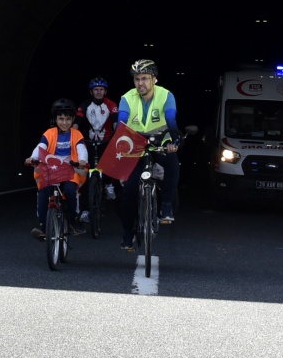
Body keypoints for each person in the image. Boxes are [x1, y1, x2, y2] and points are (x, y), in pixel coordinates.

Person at [115, 58, 180, 251]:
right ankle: (128, 233)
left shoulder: (166, 95)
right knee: (128, 193)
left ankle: (166, 206)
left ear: (154, 80)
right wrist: (119, 139)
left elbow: (170, 119)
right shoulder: (127, 98)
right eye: (136, 79)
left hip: (160, 142)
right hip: (134, 146)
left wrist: (175, 139)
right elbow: (122, 122)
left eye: (144, 78)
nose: (140, 83)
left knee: (172, 162)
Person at [25, 99, 87, 239]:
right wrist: (32, 157)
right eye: (60, 119)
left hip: (71, 170)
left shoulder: (76, 134)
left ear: (72, 120)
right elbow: (40, 147)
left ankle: (72, 220)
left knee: (71, 191)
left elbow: (81, 148)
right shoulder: (49, 133)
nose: (64, 122)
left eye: (67, 119)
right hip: (52, 170)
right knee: (43, 191)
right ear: (55, 119)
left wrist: (82, 160)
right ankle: (42, 225)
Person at [78, 76, 119, 217]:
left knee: (107, 161)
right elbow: (77, 121)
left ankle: (108, 185)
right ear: (91, 92)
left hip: (106, 141)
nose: (99, 92)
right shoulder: (85, 105)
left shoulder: (111, 104)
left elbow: (115, 120)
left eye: (101, 89)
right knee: (86, 175)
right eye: (96, 90)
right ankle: (84, 210)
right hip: (88, 142)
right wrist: (73, 134)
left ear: (105, 91)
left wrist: (116, 133)